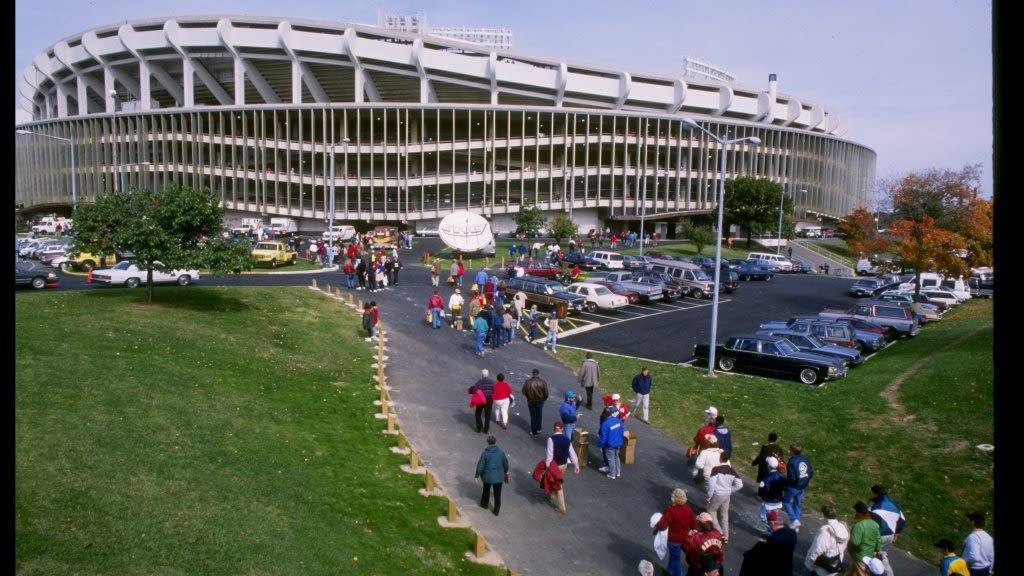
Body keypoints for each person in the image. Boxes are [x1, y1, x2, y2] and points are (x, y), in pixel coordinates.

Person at [654, 488, 697, 576]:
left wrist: (656, 525)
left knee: (676, 560)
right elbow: (693, 524)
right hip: (684, 538)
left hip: (673, 540)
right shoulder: (688, 509)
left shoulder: (671, 510)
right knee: (674, 557)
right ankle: (668, 572)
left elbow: (662, 525)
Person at [705, 450, 742, 544]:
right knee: (724, 514)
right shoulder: (732, 471)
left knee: (711, 511)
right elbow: (739, 485)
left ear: (720, 458)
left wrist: (709, 495)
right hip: (727, 495)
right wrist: (730, 490)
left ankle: (720, 532)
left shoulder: (716, 469)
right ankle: (726, 536)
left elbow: (711, 484)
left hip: (718, 494)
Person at [868, 485, 906, 576]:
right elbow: (902, 521)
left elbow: (869, 524)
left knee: (871, 556)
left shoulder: (874, 508)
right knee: (882, 554)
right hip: (891, 536)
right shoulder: (895, 506)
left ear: (876, 494)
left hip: (879, 536)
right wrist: (896, 533)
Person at [805, 504, 850, 576]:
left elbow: (817, 549)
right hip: (836, 563)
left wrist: (811, 563)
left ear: (823, 514)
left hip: (823, 566)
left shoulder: (825, 530)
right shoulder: (843, 526)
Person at [544, 421, 579, 513]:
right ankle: (551, 495)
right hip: (564, 465)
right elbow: (572, 454)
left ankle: (562, 507)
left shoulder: (551, 439)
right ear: (562, 429)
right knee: (556, 480)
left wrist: (547, 466)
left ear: (554, 428)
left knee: (558, 485)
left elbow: (549, 454)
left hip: (554, 465)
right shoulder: (567, 440)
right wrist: (576, 465)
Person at [474, 435, 509, 516]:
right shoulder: (501, 452)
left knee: (486, 490)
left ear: (488, 442)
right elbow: (505, 463)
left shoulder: (485, 453)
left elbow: (480, 465)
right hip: (498, 477)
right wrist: (506, 471)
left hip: (487, 476)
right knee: (497, 494)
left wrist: (476, 475)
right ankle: (496, 511)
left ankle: (484, 504)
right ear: (495, 442)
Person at [783, 442, 813, 531]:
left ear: (792, 451)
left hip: (793, 486)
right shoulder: (806, 459)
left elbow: (791, 478)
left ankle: (794, 520)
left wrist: (786, 483)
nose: (788, 451)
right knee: (797, 503)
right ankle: (796, 525)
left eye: (790, 449)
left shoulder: (791, 462)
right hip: (802, 485)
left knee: (786, 502)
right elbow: (811, 472)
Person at [847, 501, 882, 575]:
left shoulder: (859, 525)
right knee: (852, 571)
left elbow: (855, 542)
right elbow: (879, 540)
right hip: (869, 554)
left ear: (859, 513)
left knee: (861, 573)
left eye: (856, 512)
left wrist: (849, 539)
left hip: (859, 556)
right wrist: (877, 550)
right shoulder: (874, 524)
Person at [757, 456, 787, 536]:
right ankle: (776, 531)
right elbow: (785, 488)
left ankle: (772, 532)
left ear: (769, 466)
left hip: (769, 502)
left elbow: (761, 491)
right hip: (778, 501)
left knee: (763, 516)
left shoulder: (767, 478)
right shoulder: (782, 476)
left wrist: (763, 497)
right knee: (774, 517)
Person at [961, 511, 994, 576]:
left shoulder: (973, 537)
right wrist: (989, 570)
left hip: (974, 570)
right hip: (985, 569)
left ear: (973, 522)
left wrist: (962, 561)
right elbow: (991, 556)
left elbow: (974, 557)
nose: (967, 521)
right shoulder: (988, 537)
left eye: (969, 519)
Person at [521, 368, 550, 436]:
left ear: (532, 374)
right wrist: (543, 399)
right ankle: (539, 428)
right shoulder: (543, 382)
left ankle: (534, 432)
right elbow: (546, 394)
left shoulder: (527, 382)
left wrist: (528, 397)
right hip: (540, 401)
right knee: (539, 415)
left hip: (531, 401)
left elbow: (523, 391)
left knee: (533, 416)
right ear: (538, 374)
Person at [598, 405, 624, 479]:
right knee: (616, 457)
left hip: (610, 444)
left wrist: (601, 446)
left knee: (611, 459)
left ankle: (612, 474)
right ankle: (618, 472)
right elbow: (621, 431)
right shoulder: (618, 421)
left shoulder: (605, 424)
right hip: (618, 442)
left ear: (604, 414)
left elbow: (603, 437)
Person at [468, 369, 495, 433]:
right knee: (487, 415)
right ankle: (486, 430)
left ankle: (479, 428)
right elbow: (494, 390)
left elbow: (474, 390)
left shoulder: (479, 382)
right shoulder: (492, 382)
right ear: (488, 374)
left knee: (478, 414)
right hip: (489, 399)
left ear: (482, 375)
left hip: (481, 400)